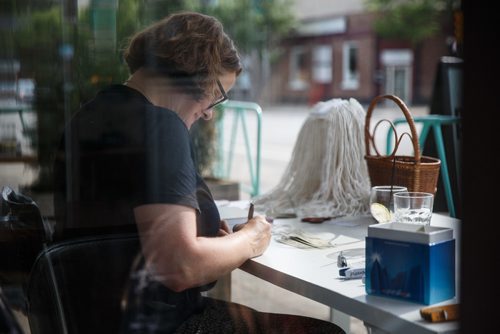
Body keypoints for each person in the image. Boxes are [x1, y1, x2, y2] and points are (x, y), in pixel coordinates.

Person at [54, 11, 344, 334]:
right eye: (217, 95)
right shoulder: (161, 127)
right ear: (196, 73)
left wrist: (213, 248)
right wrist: (251, 239)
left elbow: (125, 241)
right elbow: (178, 265)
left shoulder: (86, 119)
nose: (208, 112)